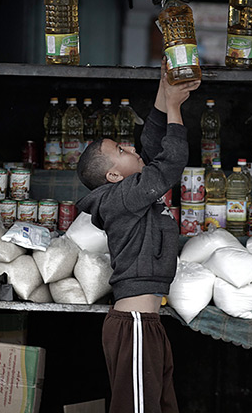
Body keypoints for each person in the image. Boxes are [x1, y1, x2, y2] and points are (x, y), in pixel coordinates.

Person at [76, 58, 200, 413]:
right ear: (114, 176)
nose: (131, 150)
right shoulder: (123, 198)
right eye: (122, 151)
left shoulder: (128, 191)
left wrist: (165, 90)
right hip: (133, 325)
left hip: (147, 323)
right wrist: (175, 107)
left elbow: (153, 143)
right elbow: (170, 161)